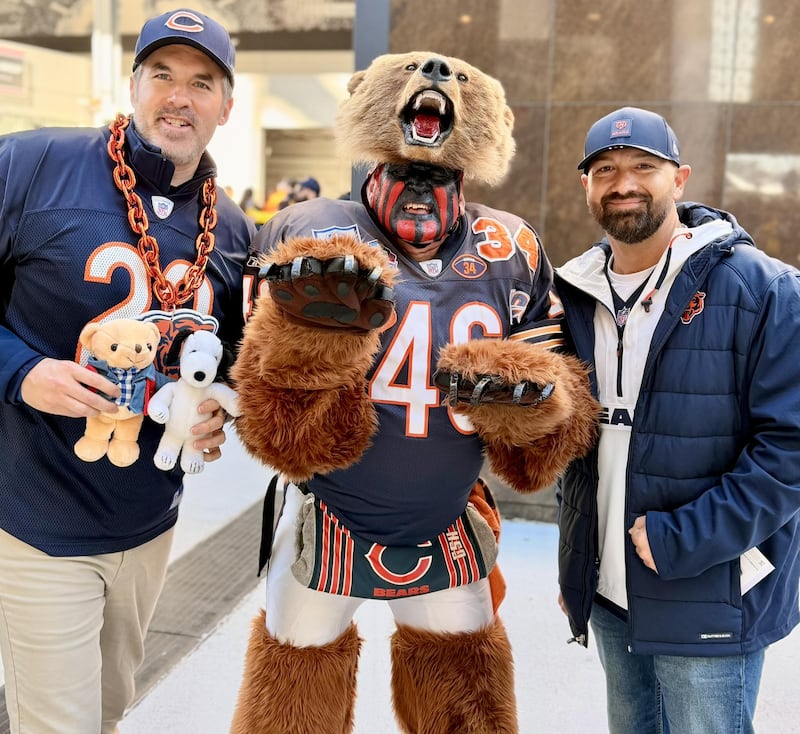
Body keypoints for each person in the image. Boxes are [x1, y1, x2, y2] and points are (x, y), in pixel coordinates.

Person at [228, 51, 598, 733]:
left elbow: (547, 428)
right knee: (295, 686)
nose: (433, 71)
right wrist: (304, 347)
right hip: (329, 509)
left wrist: (532, 405)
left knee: (462, 689)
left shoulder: (511, 245)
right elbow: (263, 414)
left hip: (446, 513)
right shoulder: (309, 228)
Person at [0, 8, 254, 733]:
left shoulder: (230, 228)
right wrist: (22, 371)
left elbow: (224, 364)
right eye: (163, 75)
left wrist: (217, 414)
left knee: (107, 713)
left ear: (225, 107)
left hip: (149, 522)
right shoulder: (31, 165)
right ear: (133, 83)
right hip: (36, 515)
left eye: (202, 82)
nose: (180, 96)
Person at [555, 106, 800, 733]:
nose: (624, 183)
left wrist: (682, 540)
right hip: (612, 591)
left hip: (710, 583)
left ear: (680, 179)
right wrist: (580, 562)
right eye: (604, 169)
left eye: (644, 166)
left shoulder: (763, 289)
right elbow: (583, 446)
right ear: (586, 186)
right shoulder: (574, 297)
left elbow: (790, 449)